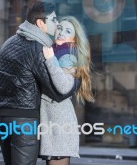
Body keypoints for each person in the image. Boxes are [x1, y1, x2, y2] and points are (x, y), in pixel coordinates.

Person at [0, 2, 81, 165]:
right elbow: (59, 92)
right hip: (24, 120)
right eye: (54, 20)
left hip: (1, 117)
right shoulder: (38, 48)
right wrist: (77, 79)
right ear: (41, 23)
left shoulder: (7, 44)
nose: (57, 25)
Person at [39, 16, 94, 165]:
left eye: (68, 31)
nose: (62, 32)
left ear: (74, 39)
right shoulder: (56, 51)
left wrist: (50, 60)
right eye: (59, 28)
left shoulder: (67, 55)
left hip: (59, 123)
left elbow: (64, 87)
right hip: (53, 122)